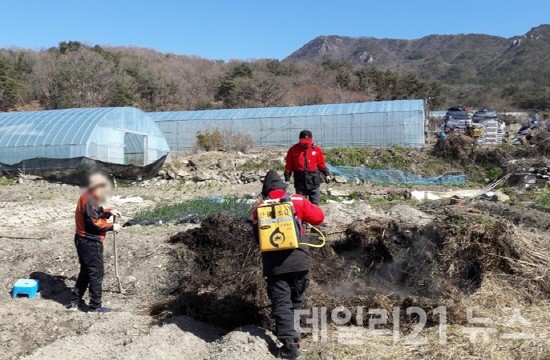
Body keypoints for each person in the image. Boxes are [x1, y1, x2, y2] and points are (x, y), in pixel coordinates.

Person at [252, 170, 325, 359]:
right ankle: (295, 336)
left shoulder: (259, 207)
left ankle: (289, 345)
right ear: (283, 187)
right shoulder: (297, 200)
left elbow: (257, 238)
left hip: (275, 267)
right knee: (296, 300)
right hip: (300, 261)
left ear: (265, 190)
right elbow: (319, 218)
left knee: (281, 302)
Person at [68, 171, 122, 314]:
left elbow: (96, 212)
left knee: (86, 271)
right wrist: (111, 226)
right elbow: (94, 223)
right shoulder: (90, 198)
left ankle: (74, 301)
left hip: (83, 240)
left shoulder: (89, 195)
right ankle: (95, 306)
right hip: (89, 241)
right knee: (96, 273)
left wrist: (109, 211)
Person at [284, 130, 331, 205]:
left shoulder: (316, 149)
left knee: (315, 204)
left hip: (313, 180)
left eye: (308, 141)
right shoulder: (293, 150)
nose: (306, 143)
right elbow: (289, 166)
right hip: (300, 181)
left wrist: (327, 174)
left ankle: (315, 216)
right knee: (301, 204)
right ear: (299, 140)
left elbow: (321, 163)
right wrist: (287, 179)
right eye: (304, 141)